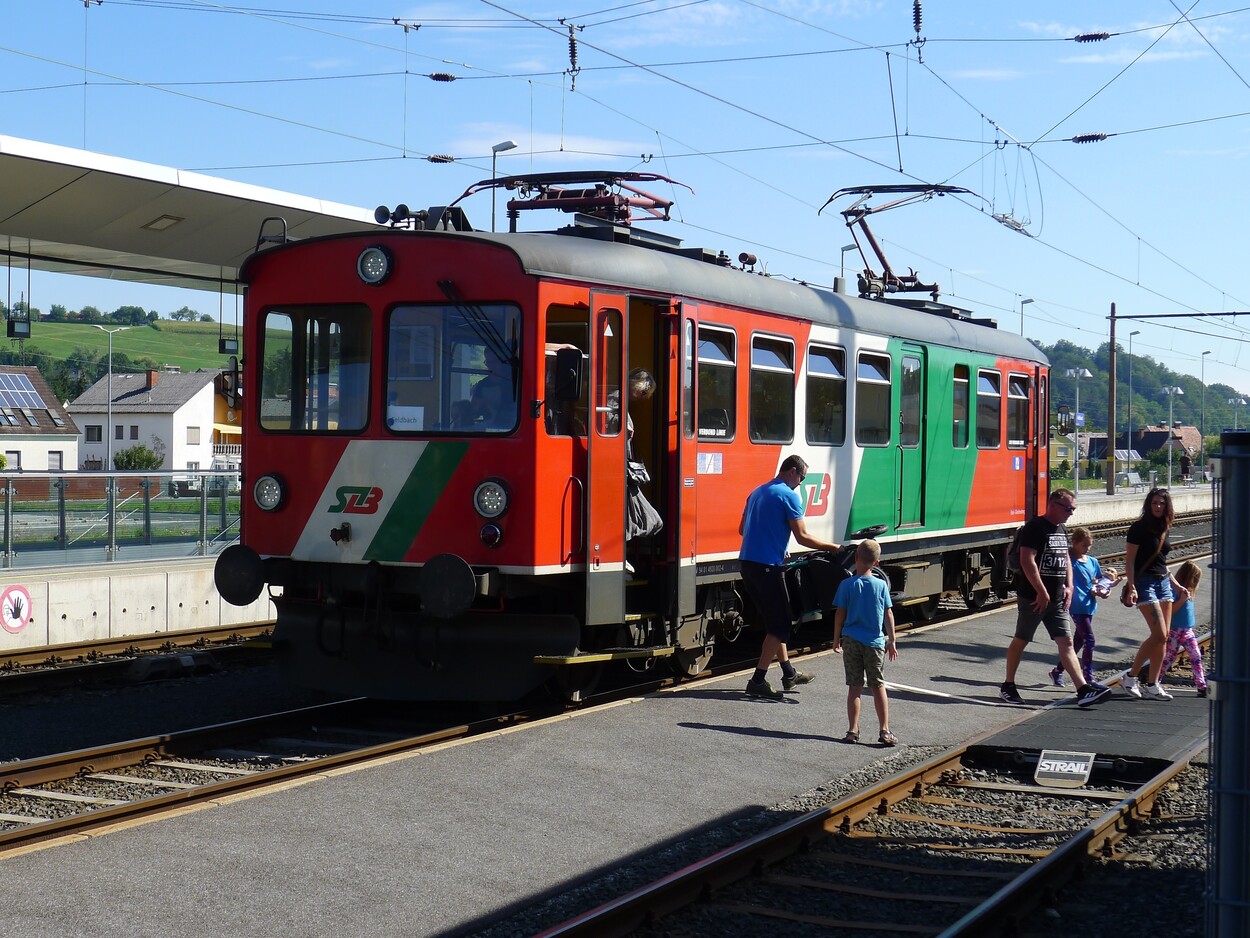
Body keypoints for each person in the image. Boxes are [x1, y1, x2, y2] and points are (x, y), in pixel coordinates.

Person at [738, 454, 840, 700]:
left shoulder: (758, 492)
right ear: (793, 471)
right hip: (766, 567)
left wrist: (773, 540)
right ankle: (758, 680)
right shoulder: (789, 495)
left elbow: (743, 530)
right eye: (802, 478)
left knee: (776, 621)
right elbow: (803, 537)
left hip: (747, 564)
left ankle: (789, 673)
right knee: (781, 624)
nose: (801, 483)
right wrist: (833, 548)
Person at [999, 489, 1112, 708]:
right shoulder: (1035, 528)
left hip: (1058, 599)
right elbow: (1027, 561)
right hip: (1033, 597)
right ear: (1053, 504)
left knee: (1067, 642)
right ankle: (1008, 685)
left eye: (1073, 509)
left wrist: (1069, 585)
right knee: (1021, 640)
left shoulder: (1061, 529)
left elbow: (1066, 559)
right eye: (1068, 508)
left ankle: (1082, 690)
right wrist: (1041, 591)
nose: (1071, 512)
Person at [1122, 487, 1188, 700]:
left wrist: (1176, 585)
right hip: (1144, 583)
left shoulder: (1165, 527)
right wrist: (1131, 586)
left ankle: (1153, 684)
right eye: (1154, 503)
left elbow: (1162, 563)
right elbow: (1130, 560)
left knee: (1164, 638)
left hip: (1163, 583)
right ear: (1148, 505)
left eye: (1161, 503)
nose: (1158, 506)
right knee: (1159, 634)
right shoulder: (1139, 528)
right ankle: (1130, 677)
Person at [833, 539, 898, 746]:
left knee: (855, 687)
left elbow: (839, 615)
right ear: (877, 563)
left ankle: (852, 730)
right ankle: (885, 730)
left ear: (856, 557)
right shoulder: (880, 586)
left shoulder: (846, 585)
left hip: (851, 641)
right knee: (878, 686)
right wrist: (892, 640)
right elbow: (888, 614)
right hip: (875, 643)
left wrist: (836, 639)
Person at [1048, 527, 1119, 687]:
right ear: (1075, 543)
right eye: (1084, 545)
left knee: (1079, 641)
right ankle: (1088, 678)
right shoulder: (1068, 561)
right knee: (1089, 640)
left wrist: (1105, 590)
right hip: (1075, 605)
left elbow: (1099, 581)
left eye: (1089, 545)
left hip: (1089, 605)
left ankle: (1057, 671)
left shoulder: (1092, 561)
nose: (1087, 549)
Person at [1161, 561, 1208, 697]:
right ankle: (1155, 680)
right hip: (1174, 630)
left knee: (1196, 655)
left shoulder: (1189, 592)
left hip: (1187, 630)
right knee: (1169, 658)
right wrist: (1181, 600)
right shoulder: (1175, 592)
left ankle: (1201, 684)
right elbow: (1170, 611)